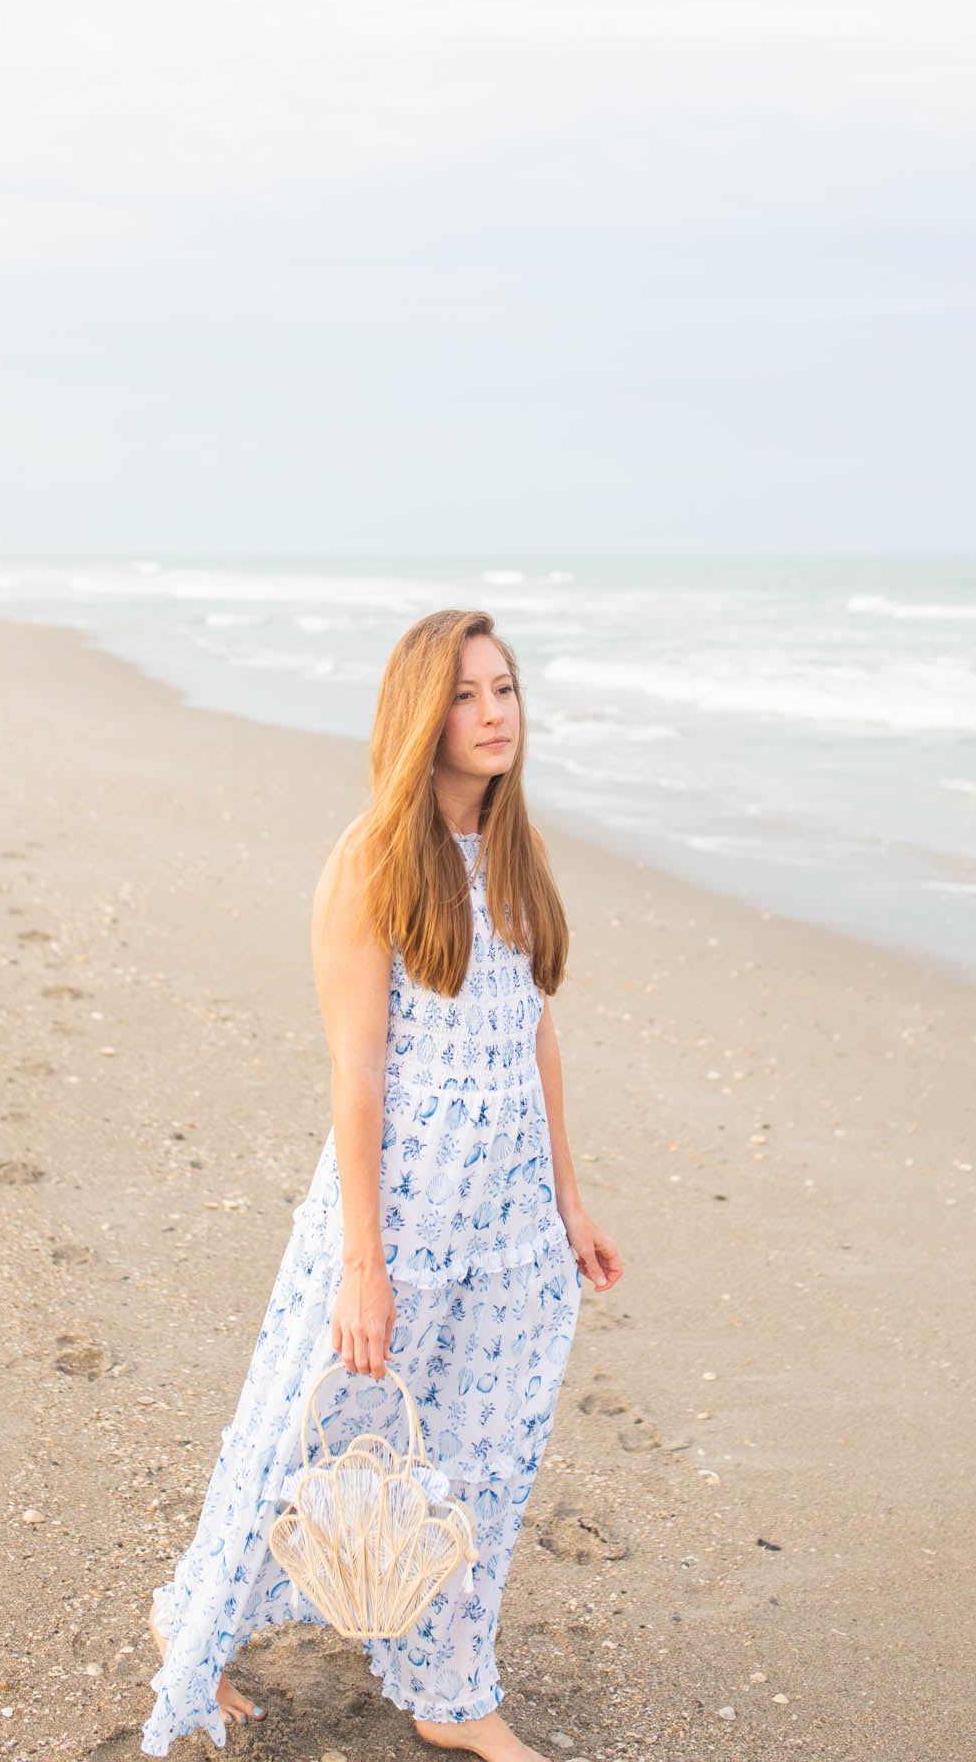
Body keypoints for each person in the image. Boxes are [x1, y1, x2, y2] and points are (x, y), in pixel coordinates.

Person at [141, 608, 622, 1760]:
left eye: (505, 688)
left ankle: (449, 1686)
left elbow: (532, 1036)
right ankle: (189, 1621)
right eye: (467, 694)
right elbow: (356, 1072)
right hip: (399, 1205)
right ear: (422, 713)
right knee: (305, 1431)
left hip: (509, 1210)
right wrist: (364, 1263)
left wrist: (568, 1199)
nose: (494, 712)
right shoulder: (372, 858)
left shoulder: (521, 851)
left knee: (482, 1449)